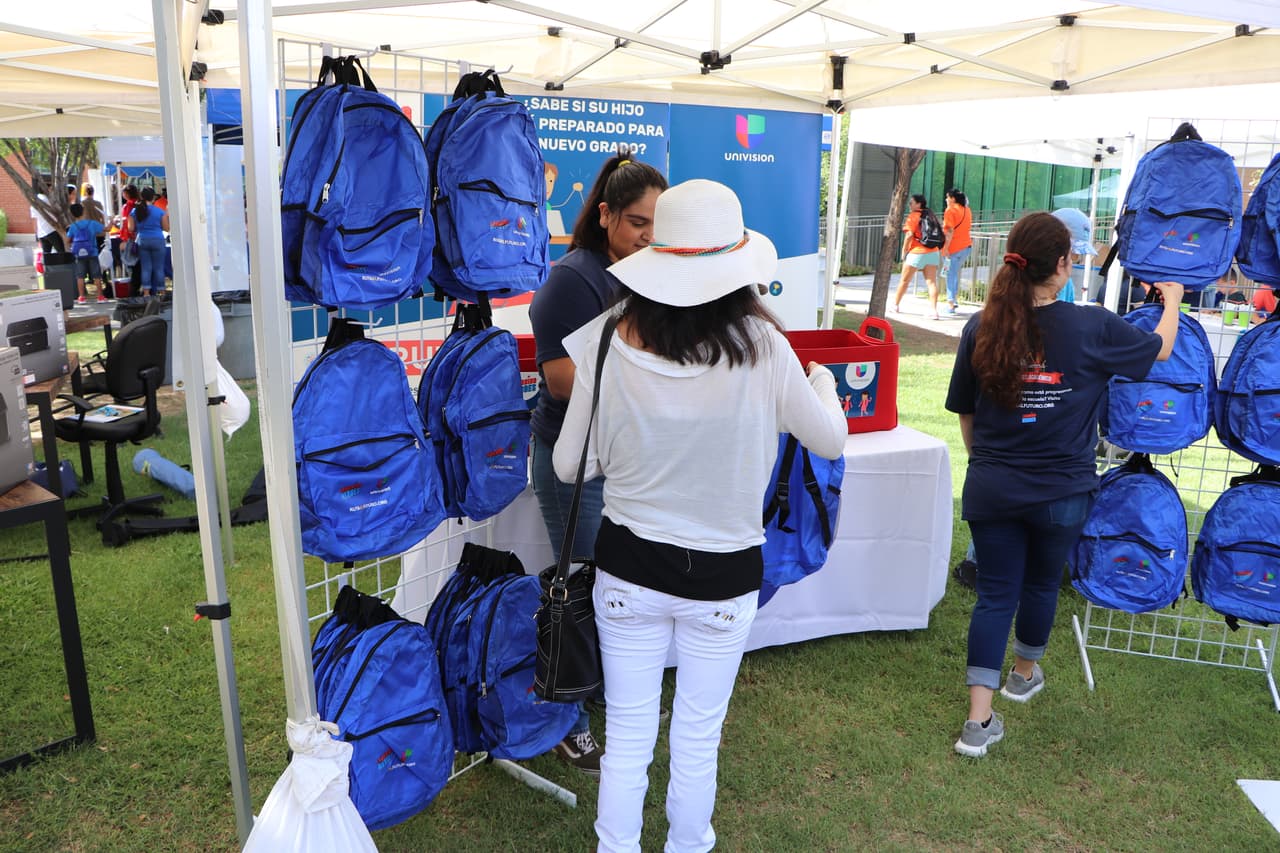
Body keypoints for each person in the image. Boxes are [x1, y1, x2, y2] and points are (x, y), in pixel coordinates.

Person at [555, 178, 846, 852]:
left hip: (626, 570)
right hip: (723, 579)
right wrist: (823, 383)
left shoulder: (604, 337)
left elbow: (572, 466)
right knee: (695, 735)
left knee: (628, 736)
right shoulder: (765, 346)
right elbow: (828, 438)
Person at [945, 211, 1183, 758]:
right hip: (1062, 493)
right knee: (1041, 584)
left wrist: (990, 463)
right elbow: (1160, 349)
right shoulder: (1092, 325)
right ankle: (1022, 676)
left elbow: (966, 416)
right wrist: (1171, 301)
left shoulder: (981, 326)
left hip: (994, 487)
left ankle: (977, 725)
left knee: (994, 596)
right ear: (1061, 264)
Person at [527, 150, 668, 776]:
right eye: (639, 222)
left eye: (658, 225)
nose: (649, 236)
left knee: (618, 587)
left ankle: (605, 695)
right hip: (572, 462)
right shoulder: (572, 280)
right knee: (579, 589)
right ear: (606, 215)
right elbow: (562, 383)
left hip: (627, 460)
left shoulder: (655, 274)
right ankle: (570, 721)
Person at [892, 194, 942, 319]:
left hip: (917, 252)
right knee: (931, 282)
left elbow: (909, 235)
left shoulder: (913, 216)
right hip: (933, 251)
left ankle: (895, 305)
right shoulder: (930, 214)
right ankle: (934, 310)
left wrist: (904, 250)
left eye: (911, 203)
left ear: (919, 204)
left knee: (904, 281)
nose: (910, 205)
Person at [130, 187, 170, 298]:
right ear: (153, 198)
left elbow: (130, 228)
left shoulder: (135, 211)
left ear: (141, 197)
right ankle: (161, 291)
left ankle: (146, 292)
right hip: (158, 239)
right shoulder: (160, 212)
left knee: (146, 267)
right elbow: (166, 228)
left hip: (142, 239)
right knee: (158, 267)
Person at [66, 203, 108, 304]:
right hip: (92, 252)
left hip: (79, 254)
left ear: (72, 214)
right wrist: (111, 222)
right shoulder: (92, 223)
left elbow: (68, 239)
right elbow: (107, 229)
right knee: (96, 275)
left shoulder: (73, 226)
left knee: (80, 276)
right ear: (83, 211)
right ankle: (100, 297)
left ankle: (81, 297)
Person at [941, 188, 972, 315]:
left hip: (953, 248)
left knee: (950, 275)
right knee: (953, 273)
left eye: (947, 197)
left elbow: (949, 231)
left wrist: (945, 248)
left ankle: (951, 303)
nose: (946, 199)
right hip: (966, 247)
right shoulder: (967, 210)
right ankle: (954, 299)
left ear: (953, 198)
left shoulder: (950, 210)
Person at [30, 180, 65, 256]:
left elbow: (34, 220)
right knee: (62, 251)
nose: (52, 191)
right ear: (47, 189)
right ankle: (64, 267)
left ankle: (47, 268)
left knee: (46, 255)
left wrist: (36, 233)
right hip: (52, 230)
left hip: (41, 232)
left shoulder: (34, 201)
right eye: (51, 189)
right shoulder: (48, 200)